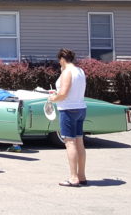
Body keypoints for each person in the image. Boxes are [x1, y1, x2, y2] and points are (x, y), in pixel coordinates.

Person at [48, 48, 88, 187]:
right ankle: (81, 175)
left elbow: (63, 94)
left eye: (60, 61)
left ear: (62, 59)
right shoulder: (80, 71)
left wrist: (53, 98)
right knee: (79, 142)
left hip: (68, 109)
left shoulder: (67, 72)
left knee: (70, 143)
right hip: (81, 107)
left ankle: (73, 177)